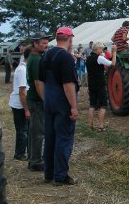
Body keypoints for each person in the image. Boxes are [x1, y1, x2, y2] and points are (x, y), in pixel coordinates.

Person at [39, 27, 80, 186]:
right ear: (70, 39)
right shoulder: (66, 57)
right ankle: (60, 176)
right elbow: (68, 84)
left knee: (50, 138)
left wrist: (46, 100)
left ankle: (48, 173)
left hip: (49, 100)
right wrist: (73, 107)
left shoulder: (45, 55)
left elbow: (40, 81)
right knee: (64, 138)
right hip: (63, 102)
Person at [26, 31, 50, 172]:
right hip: (36, 100)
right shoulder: (36, 60)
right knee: (38, 132)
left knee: (34, 130)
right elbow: (38, 83)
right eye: (43, 43)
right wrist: (45, 100)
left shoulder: (35, 57)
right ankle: (36, 161)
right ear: (35, 44)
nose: (46, 45)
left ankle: (32, 158)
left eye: (47, 43)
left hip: (35, 99)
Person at [86, 42, 117, 131]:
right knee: (103, 105)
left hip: (91, 84)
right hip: (100, 84)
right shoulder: (99, 58)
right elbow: (113, 64)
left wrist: (88, 86)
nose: (102, 51)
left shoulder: (88, 58)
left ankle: (90, 125)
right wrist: (114, 52)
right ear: (97, 49)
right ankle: (100, 126)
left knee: (92, 105)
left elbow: (88, 73)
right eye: (101, 49)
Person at [10, 46, 31, 162]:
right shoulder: (22, 70)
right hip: (20, 104)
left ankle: (24, 152)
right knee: (22, 130)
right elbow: (22, 91)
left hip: (22, 103)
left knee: (25, 129)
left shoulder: (24, 68)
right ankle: (19, 153)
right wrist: (26, 109)